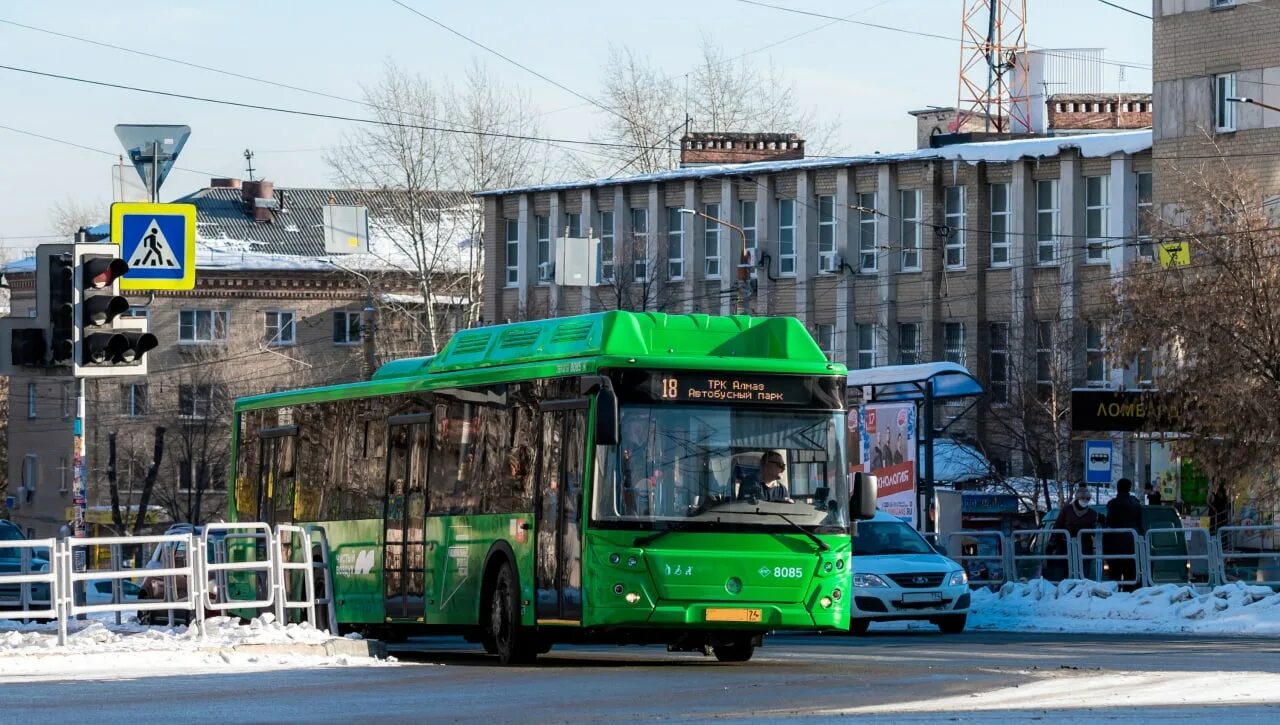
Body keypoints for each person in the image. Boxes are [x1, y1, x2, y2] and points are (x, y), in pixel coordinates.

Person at [1051, 484, 1099, 579]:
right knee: (1067, 573)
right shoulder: (1067, 510)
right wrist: (1053, 542)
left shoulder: (1092, 513)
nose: (1085, 500)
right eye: (1082, 498)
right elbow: (1058, 525)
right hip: (1066, 546)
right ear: (1077, 498)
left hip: (1085, 547)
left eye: (1087, 498)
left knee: (1084, 574)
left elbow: (1095, 528)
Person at [1105, 477, 1143, 589]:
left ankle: (1115, 597)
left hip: (1115, 545)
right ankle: (1130, 598)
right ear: (1129, 488)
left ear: (1117, 488)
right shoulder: (1136, 504)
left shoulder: (1113, 504)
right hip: (1132, 544)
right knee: (1131, 576)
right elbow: (1140, 523)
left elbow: (1109, 523)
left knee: (1114, 577)